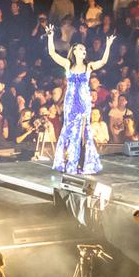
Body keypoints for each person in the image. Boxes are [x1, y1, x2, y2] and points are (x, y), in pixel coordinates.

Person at [45, 25, 114, 175]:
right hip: (70, 102)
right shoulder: (68, 64)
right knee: (69, 130)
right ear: (75, 51)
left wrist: (108, 45)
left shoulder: (88, 66)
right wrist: (50, 36)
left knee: (83, 132)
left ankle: (82, 162)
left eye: (84, 49)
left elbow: (102, 61)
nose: (84, 51)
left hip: (83, 103)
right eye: (81, 48)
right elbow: (52, 53)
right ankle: (67, 161)